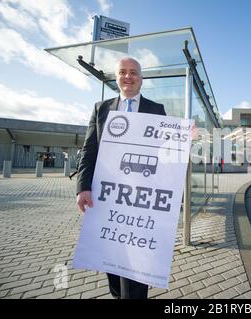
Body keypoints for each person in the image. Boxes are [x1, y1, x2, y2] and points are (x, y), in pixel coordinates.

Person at [76, 57, 166, 299]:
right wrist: (82, 187)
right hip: (106, 200)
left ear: (141, 79)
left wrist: (186, 137)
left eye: (133, 72)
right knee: (112, 264)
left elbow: (165, 153)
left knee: (136, 268)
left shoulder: (157, 110)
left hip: (139, 202)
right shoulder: (101, 108)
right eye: (122, 72)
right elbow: (89, 150)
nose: (128, 77)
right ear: (116, 77)